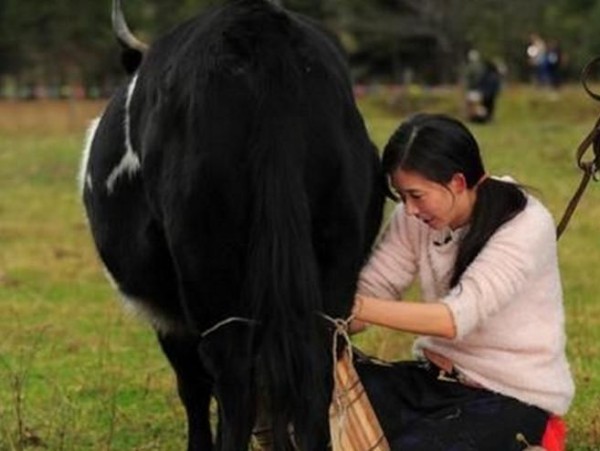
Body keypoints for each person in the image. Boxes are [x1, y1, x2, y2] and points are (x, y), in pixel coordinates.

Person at [351, 113, 574, 450]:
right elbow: (373, 288)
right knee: (313, 389)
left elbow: (453, 319)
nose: (409, 209)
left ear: (457, 182)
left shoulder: (526, 223)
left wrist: (355, 306)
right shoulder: (415, 218)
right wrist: (318, 316)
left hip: (509, 396)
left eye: (416, 195)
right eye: (401, 196)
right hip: (433, 382)